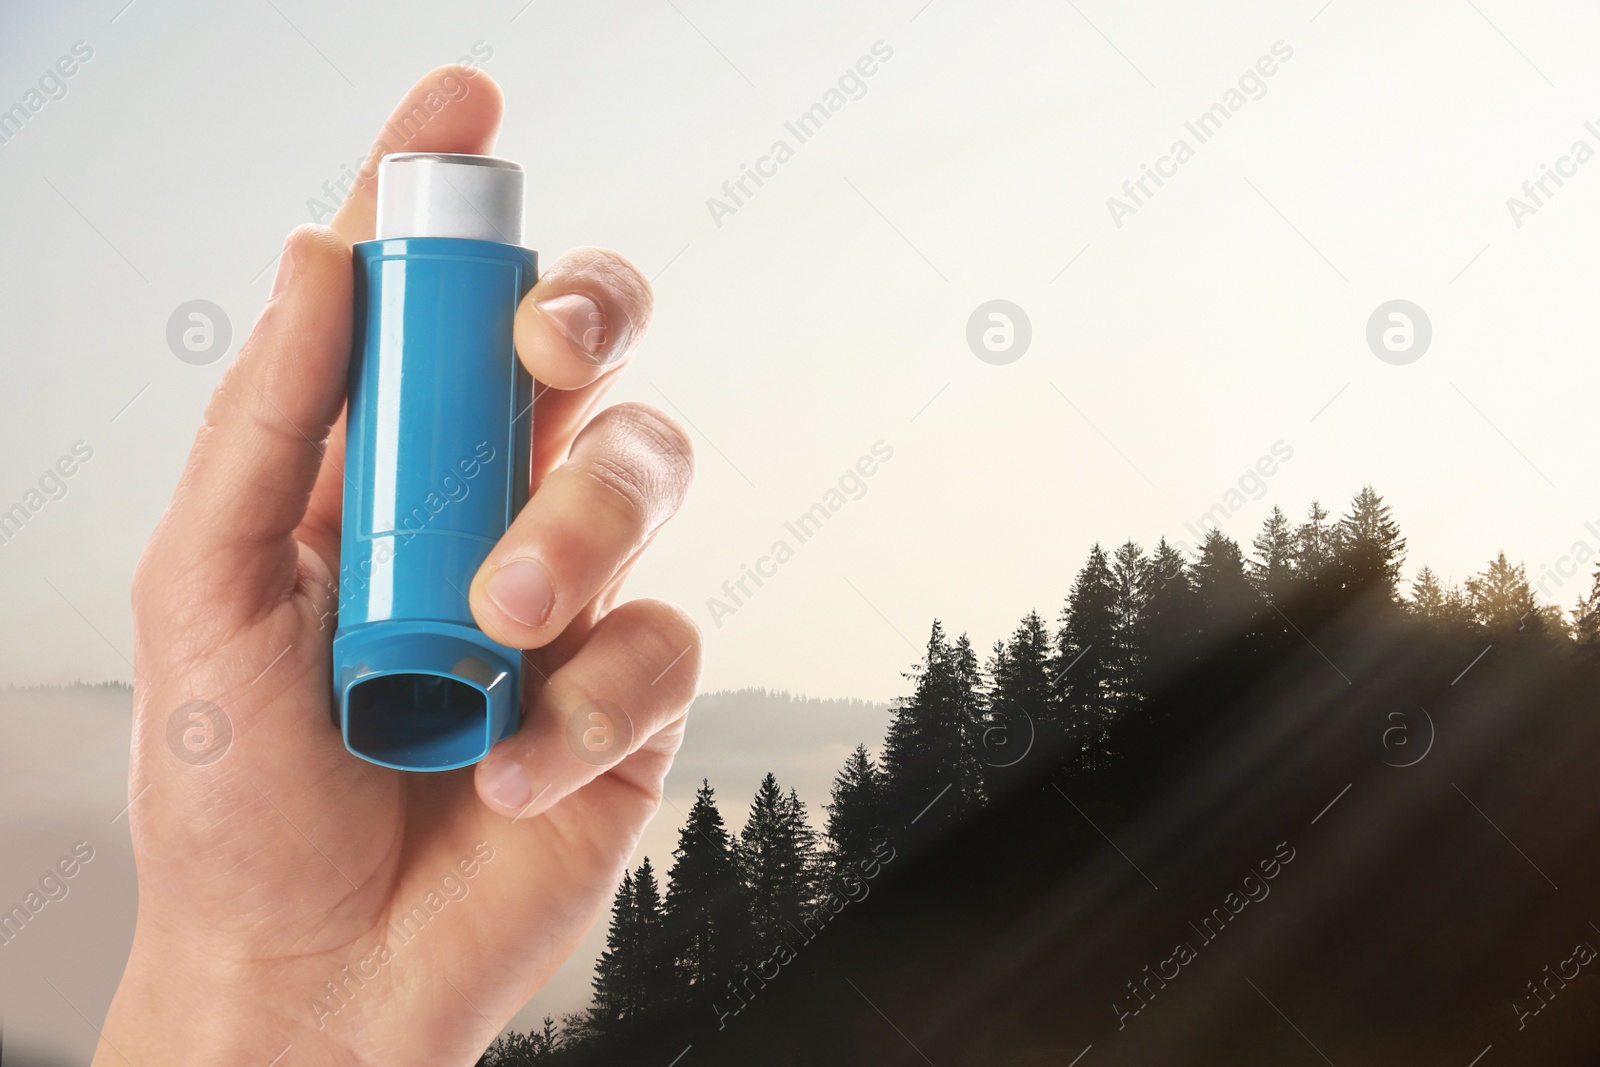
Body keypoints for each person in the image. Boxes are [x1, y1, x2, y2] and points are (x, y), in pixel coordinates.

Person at [96, 66, 700, 1065]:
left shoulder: (434, 288)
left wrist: (298, 1005)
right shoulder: (389, 293)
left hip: (440, 680)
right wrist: (252, 976)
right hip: (402, 662)